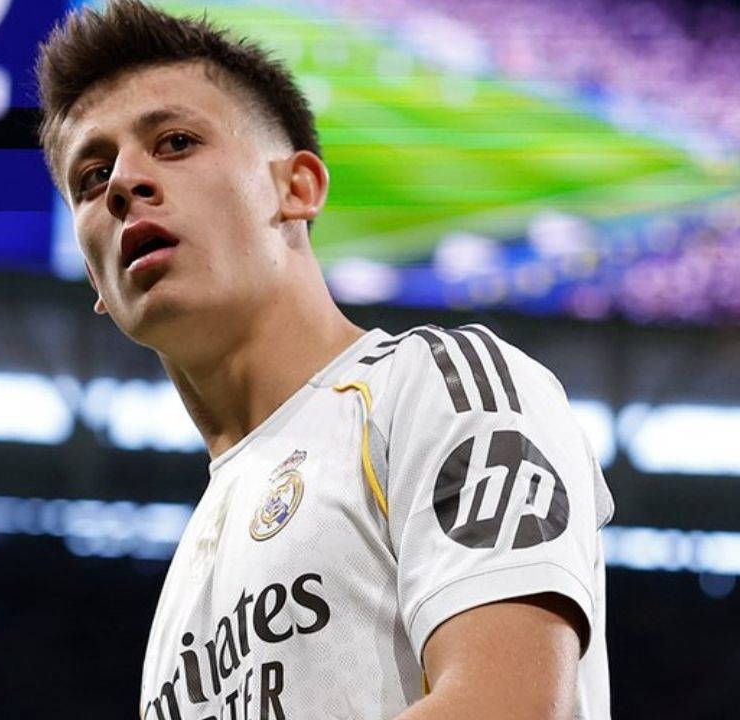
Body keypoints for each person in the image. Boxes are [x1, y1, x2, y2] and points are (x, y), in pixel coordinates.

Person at [35, 2, 614, 718]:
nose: (125, 183)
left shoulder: (436, 384)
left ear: (298, 188)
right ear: (94, 279)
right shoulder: (181, 592)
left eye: (176, 142)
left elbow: (507, 706)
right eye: (93, 177)